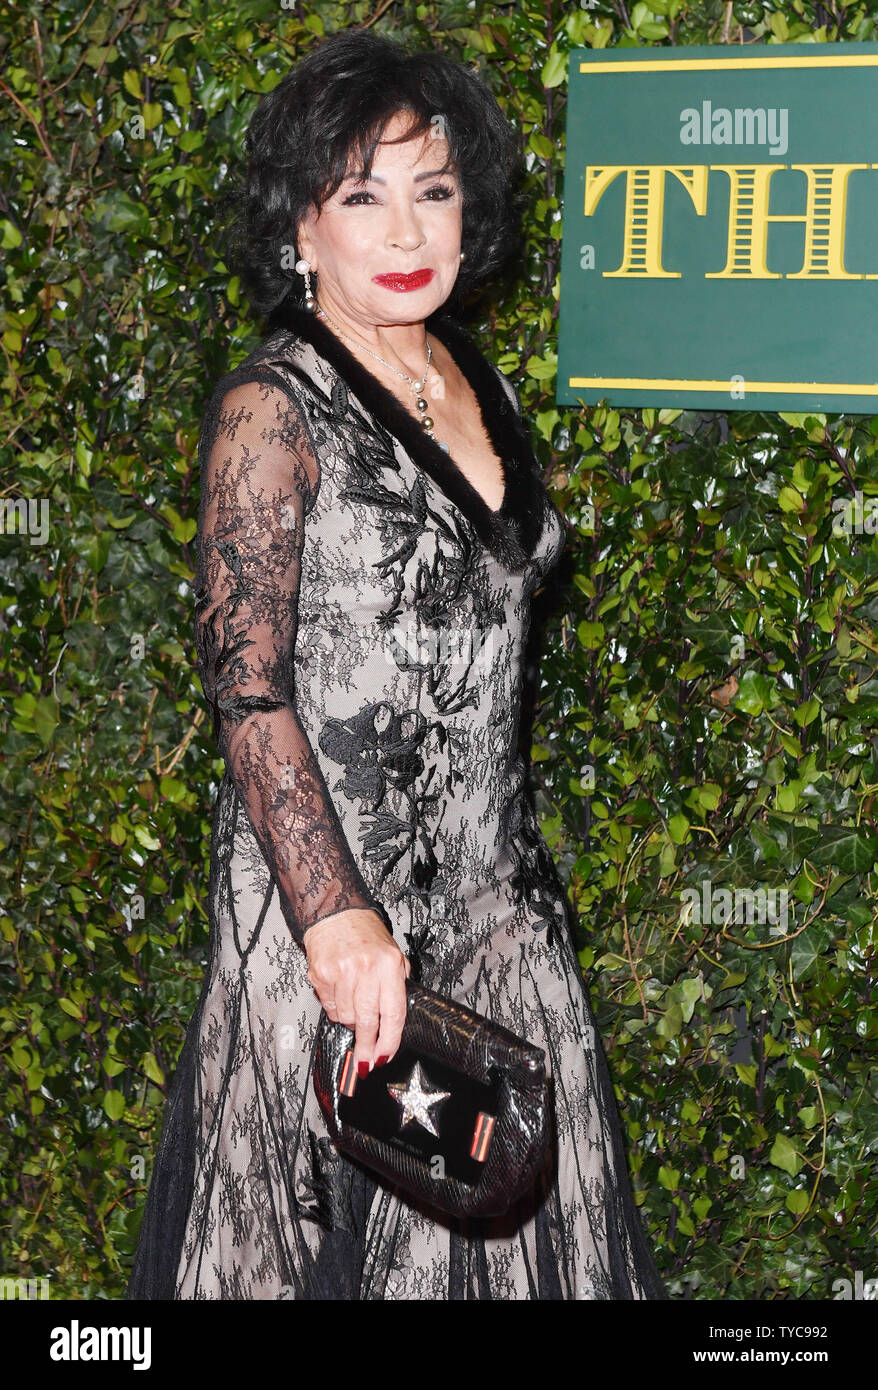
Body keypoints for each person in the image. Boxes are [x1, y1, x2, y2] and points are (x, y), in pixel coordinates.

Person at [126, 27, 665, 1301]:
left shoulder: (471, 378)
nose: (404, 227)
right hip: (339, 952)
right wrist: (334, 919)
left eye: (431, 187)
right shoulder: (272, 409)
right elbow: (246, 686)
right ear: (298, 230)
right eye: (359, 194)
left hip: (499, 926)